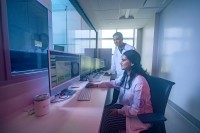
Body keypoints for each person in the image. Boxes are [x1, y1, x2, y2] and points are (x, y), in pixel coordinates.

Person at [86, 50, 153, 133]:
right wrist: (97, 85)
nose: (120, 62)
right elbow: (114, 83)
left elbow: (136, 111)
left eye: (123, 60)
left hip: (138, 117)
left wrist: (119, 111)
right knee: (103, 112)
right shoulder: (126, 75)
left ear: (132, 63)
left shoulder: (140, 82)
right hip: (126, 108)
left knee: (108, 122)